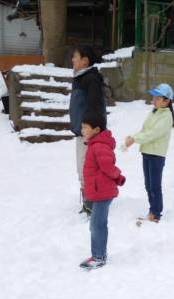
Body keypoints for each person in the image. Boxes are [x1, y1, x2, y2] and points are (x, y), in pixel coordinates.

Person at [79, 112, 125, 270]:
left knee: (97, 225)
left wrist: (118, 177)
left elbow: (108, 167)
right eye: (82, 127)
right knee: (98, 224)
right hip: (99, 192)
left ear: (96, 129)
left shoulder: (99, 146)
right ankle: (99, 254)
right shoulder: (94, 145)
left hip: (102, 193)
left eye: (85, 127)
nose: (82, 130)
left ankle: (99, 256)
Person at [124, 83, 174, 223]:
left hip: (157, 155)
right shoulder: (153, 113)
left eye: (158, 98)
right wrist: (132, 137)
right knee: (148, 185)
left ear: (167, 101)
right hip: (146, 152)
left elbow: (153, 134)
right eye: (154, 97)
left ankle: (156, 213)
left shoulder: (167, 117)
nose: (154, 100)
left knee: (155, 186)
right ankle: (152, 210)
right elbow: (144, 130)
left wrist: (135, 139)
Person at [69, 45, 107, 216]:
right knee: (83, 167)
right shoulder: (82, 77)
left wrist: (91, 130)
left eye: (75, 57)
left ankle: (91, 203)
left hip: (88, 133)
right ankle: (89, 200)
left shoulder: (90, 79)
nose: (72, 60)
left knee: (86, 168)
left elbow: (95, 106)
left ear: (85, 61)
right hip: (82, 131)